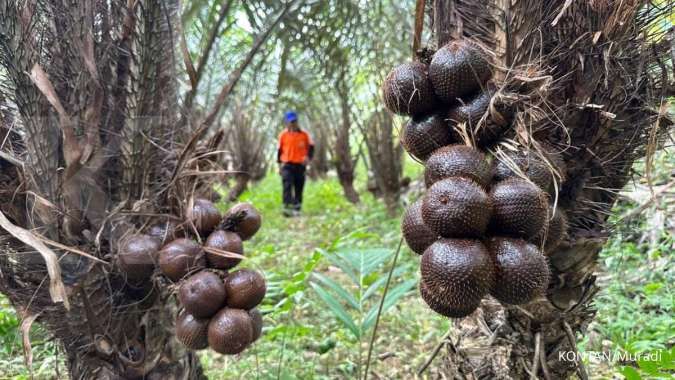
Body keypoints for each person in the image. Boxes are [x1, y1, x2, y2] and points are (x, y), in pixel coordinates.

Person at [277, 111, 314, 216]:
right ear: (287, 123)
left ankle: (297, 209)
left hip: (300, 165)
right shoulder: (283, 135)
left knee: (299, 186)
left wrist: (308, 158)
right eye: (290, 122)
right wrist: (279, 166)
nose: (293, 123)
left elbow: (311, 147)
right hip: (287, 165)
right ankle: (287, 209)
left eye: (294, 121)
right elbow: (279, 151)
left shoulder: (304, 134)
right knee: (287, 186)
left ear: (297, 121)